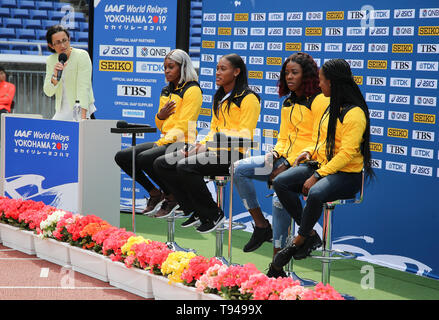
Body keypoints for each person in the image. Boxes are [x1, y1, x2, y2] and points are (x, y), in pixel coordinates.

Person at [270, 58, 374, 271]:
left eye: (322, 80)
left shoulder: (354, 113)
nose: (319, 85)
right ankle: (309, 235)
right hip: (323, 166)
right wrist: (308, 152)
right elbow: (324, 142)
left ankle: (297, 242)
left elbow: (346, 154)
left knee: (315, 193)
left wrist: (317, 175)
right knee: (280, 182)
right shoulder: (330, 107)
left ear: (332, 82)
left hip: (347, 174)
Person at [232, 53, 329, 259]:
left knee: (279, 198)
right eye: (286, 73)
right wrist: (276, 153)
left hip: (309, 164)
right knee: (239, 169)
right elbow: (284, 137)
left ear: (308, 75)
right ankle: (261, 225)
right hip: (284, 159)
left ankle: (280, 259)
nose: (289, 77)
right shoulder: (288, 102)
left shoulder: (319, 100)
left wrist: (290, 163)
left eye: (295, 73)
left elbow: (319, 138)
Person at [153, 53, 261, 233]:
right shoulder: (219, 97)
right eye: (217, 68)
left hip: (234, 154)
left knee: (186, 166)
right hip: (213, 150)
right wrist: (198, 146)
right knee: (163, 163)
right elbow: (212, 129)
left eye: (223, 69)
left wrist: (208, 145)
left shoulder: (249, 98)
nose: (217, 72)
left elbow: (245, 134)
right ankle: (194, 209)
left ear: (236, 72)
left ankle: (213, 213)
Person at [114, 49, 202, 217]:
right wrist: (160, 116)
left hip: (184, 142)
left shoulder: (192, 90)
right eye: (165, 68)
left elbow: (184, 124)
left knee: (145, 158)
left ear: (183, 67)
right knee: (122, 157)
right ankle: (155, 193)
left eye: (171, 67)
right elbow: (162, 125)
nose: (167, 71)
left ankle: (172, 196)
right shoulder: (166, 90)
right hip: (166, 139)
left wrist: (161, 142)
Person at [43, 24, 96, 120]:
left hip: (81, 109)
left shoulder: (82, 56)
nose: (62, 45)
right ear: (51, 45)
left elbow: (84, 87)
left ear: (69, 39)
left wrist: (83, 118)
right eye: (57, 42)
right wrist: (55, 76)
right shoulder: (51, 60)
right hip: (61, 111)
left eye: (64, 40)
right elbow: (48, 92)